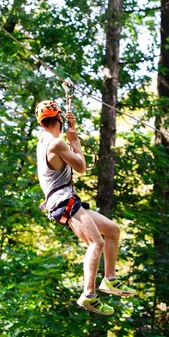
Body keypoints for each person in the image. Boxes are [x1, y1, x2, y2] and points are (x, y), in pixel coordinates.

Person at [35, 100, 136, 315]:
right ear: (59, 119)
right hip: (62, 201)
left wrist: (69, 133)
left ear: (41, 123)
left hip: (65, 200)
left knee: (112, 230)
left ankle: (109, 280)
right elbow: (81, 167)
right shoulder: (55, 143)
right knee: (95, 241)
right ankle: (88, 295)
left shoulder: (43, 141)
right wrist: (75, 139)